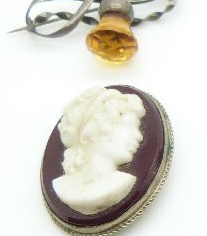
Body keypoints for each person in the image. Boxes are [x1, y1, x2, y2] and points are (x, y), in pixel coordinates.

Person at [52, 87, 146, 215]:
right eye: (129, 125)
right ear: (98, 127)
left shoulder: (120, 183)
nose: (139, 137)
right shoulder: (63, 186)